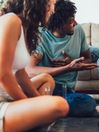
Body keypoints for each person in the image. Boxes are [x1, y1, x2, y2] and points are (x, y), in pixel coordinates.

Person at [26, 0, 99, 117]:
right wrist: (68, 68)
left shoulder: (78, 31)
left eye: (74, 18)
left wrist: (72, 61)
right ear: (59, 24)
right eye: (70, 21)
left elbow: (87, 58)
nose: (75, 23)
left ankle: (51, 107)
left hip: (67, 90)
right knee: (86, 104)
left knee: (88, 103)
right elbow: (30, 70)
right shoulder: (42, 37)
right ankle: (52, 106)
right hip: (49, 87)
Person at [0, 0, 69, 131]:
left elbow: (20, 73)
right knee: (60, 105)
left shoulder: (23, 27)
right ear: (37, 3)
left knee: (47, 79)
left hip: (5, 95)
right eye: (50, 5)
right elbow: (3, 74)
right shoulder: (11, 20)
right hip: (1, 100)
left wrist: (38, 102)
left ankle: (34, 123)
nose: (52, 10)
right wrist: (28, 103)